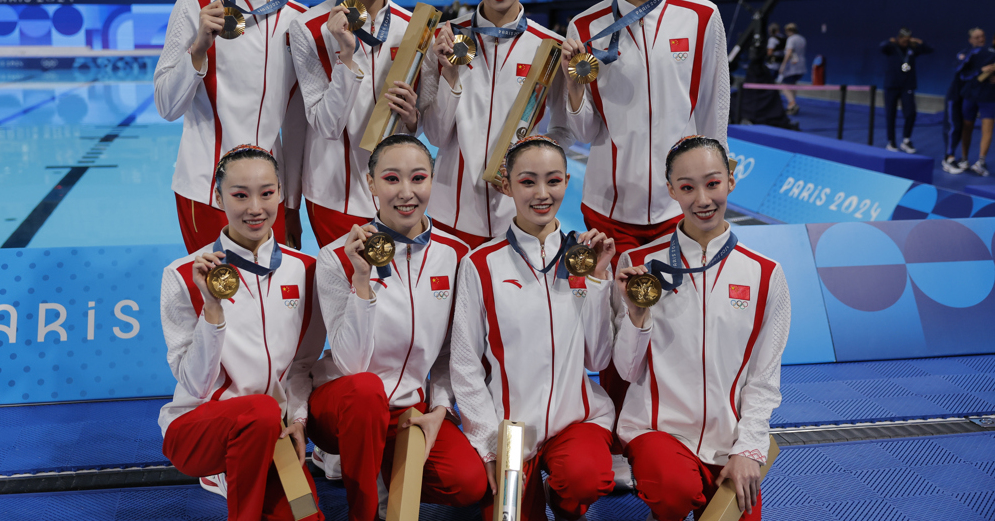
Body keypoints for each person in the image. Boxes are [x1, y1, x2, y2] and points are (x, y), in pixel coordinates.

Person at [561, 0, 729, 481]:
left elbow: (713, 113)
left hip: (674, 210)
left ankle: (662, 433)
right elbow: (581, 130)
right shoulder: (583, 28)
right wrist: (576, 80)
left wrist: (706, 195)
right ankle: (611, 439)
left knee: (670, 327)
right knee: (610, 328)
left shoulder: (700, 17)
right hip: (607, 207)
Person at [308, 135, 486, 521]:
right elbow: (352, 363)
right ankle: (365, 508)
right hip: (346, 407)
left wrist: (440, 408)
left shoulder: (455, 256)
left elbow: (449, 354)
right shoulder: (336, 256)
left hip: (410, 411)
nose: (406, 192)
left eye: (418, 178)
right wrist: (361, 282)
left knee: (468, 483)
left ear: (432, 181)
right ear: (370, 184)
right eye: (391, 179)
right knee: (367, 390)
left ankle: (384, 467)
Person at [612, 136, 790, 521]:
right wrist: (636, 315)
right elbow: (626, 370)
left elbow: (764, 378)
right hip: (658, 432)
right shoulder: (639, 264)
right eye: (688, 188)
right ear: (671, 189)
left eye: (712, 183)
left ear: (731, 179)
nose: (702, 200)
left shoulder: (765, 274)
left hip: (729, 442)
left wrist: (749, 450)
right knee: (674, 490)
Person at [451, 136, 618, 521]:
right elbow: (464, 363)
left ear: (566, 181)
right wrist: (490, 443)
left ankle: (564, 500)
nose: (542, 194)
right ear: (506, 185)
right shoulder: (480, 265)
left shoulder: (584, 256)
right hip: (510, 432)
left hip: (575, 421)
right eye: (528, 182)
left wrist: (597, 279)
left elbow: (598, 356)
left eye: (554, 181)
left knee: (585, 479)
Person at [158, 145, 326, 520]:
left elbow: (302, 366)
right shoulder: (183, 275)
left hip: (274, 434)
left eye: (267, 193)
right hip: (201, 431)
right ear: (217, 197)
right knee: (260, 409)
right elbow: (194, 384)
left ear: (281, 194)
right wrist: (212, 309)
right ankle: (227, 482)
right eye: (240, 195)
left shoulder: (306, 271)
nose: (255, 208)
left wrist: (297, 419)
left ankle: (252, 468)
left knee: (306, 516)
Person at [154, 0, 308, 254]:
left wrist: (291, 202)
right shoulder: (196, 4)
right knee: (217, 305)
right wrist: (198, 49)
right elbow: (166, 106)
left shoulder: (301, 20)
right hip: (207, 190)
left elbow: (298, 125)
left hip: (270, 197)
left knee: (267, 306)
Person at [420, 0, 572, 249]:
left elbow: (564, 133)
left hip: (522, 218)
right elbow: (435, 135)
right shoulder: (445, 39)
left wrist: (533, 167)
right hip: (452, 216)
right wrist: (449, 75)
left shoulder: (552, 49)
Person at [289, 0, 425, 248]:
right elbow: (326, 126)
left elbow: (420, 126)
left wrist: (412, 119)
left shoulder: (415, 29)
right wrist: (345, 58)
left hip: (399, 196)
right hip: (333, 196)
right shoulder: (308, 28)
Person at [881, 28, 933, 153]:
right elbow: (882, 47)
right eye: (903, 39)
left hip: (907, 86)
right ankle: (891, 142)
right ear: (899, 38)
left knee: (911, 113)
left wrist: (919, 41)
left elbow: (929, 49)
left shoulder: (912, 49)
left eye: (907, 40)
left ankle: (906, 140)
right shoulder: (892, 48)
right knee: (890, 115)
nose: (905, 42)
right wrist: (890, 42)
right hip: (891, 86)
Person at [945, 28, 985, 173]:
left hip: (969, 97)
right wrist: (980, 70)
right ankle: (948, 158)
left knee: (962, 127)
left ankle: (962, 159)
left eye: (982, 36)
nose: (981, 39)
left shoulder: (985, 55)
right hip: (955, 96)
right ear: (970, 40)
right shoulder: (964, 54)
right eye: (977, 37)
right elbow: (960, 72)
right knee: (953, 126)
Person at [959, 40, 995, 177]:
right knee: (967, 126)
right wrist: (982, 70)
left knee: (988, 129)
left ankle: (981, 162)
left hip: (990, 97)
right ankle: (964, 159)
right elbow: (964, 71)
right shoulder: (977, 52)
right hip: (971, 94)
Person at [778, 22, 806, 114]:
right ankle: (791, 106)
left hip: (792, 66)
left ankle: (792, 103)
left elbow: (788, 53)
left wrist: (782, 65)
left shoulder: (791, 39)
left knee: (784, 85)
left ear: (788, 31)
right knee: (793, 84)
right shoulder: (802, 39)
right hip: (801, 66)